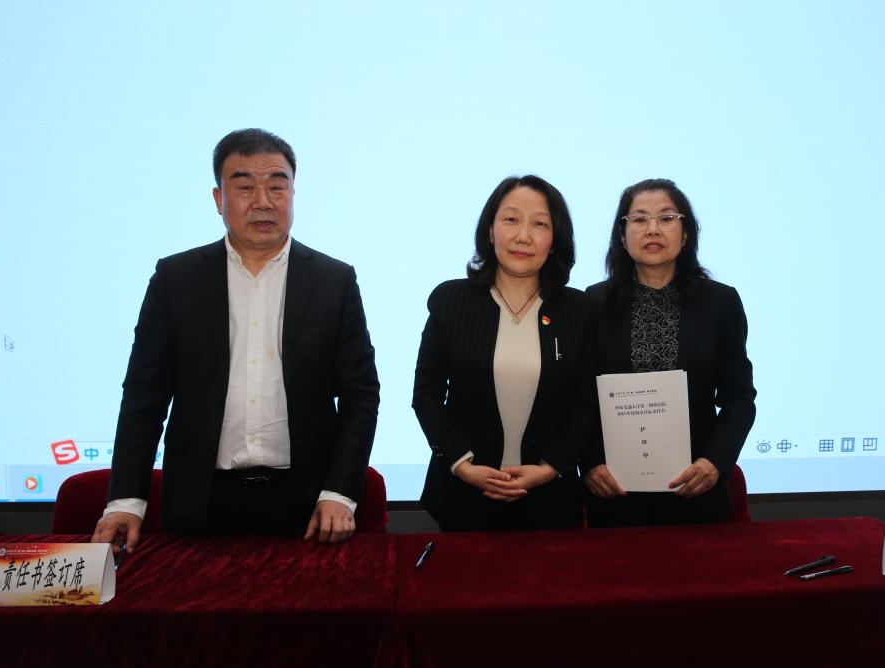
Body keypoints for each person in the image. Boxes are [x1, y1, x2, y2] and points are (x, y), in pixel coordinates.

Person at [92, 129, 379, 550]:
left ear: (293, 193)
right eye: (245, 187)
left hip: (307, 503)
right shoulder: (176, 279)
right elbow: (144, 396)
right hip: (201, 500)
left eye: (277, 186)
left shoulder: (334, 281)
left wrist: (338, 493)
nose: (263, 201)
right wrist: (126, 501)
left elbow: (360, 395)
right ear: (219, 199)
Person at [413, 175, 598, 531]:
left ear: (555, 240)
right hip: (463, 495)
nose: (523, 236)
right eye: (511, 219)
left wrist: (549, 468)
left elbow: (587, 403)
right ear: (489, 230)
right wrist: (462, 465)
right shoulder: (451, 301)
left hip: (551, 501)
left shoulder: (579, 310)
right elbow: (427, 395)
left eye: (540, 224)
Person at [582, 179, 755, 526]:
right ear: (622, 235)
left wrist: (714, 462)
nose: (653, 229)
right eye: (639, 219)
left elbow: (739, 398)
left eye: (666, 218)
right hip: (615, 492)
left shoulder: (720, 302)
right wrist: (589, 463)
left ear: (686, 233)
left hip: (696, 490)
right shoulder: (593, 302)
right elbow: (579, 397)